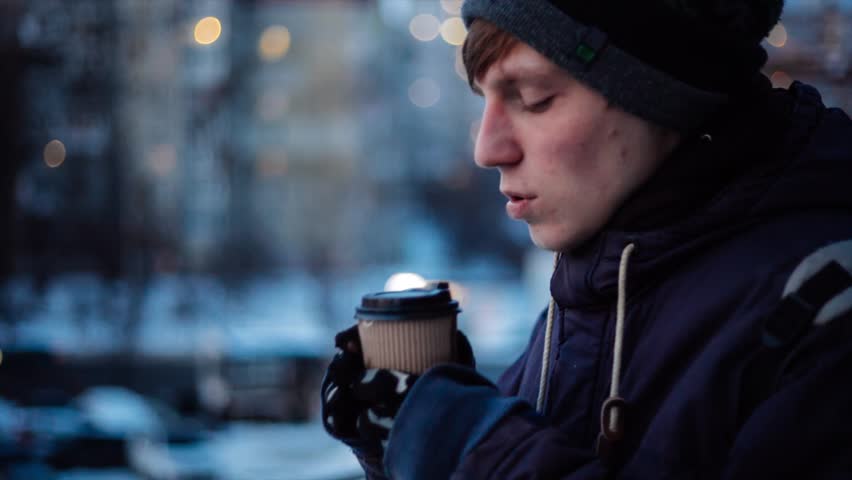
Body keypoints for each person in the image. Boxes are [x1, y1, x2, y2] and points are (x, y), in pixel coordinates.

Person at [322, 0, 852, 478]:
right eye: (484, 98)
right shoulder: (592, 292)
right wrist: (402, 446)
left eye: (533, 98)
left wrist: (470, 448)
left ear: (661, 90)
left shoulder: (823, 310)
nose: (487, 148)